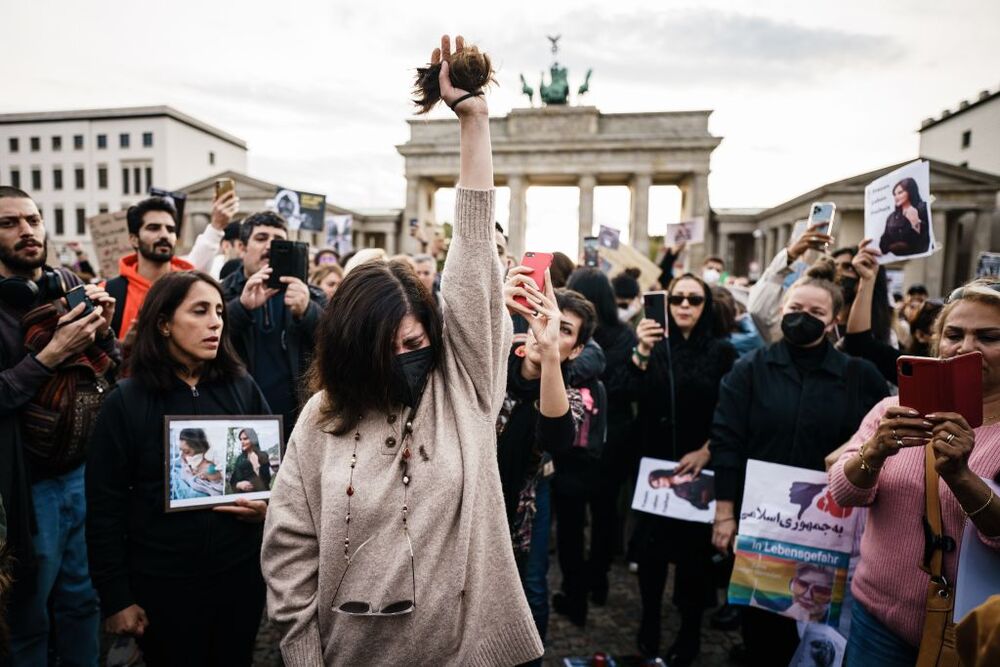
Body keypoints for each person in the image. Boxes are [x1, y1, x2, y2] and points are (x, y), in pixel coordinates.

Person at [260, 35, 544, 666]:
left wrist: (473, 123)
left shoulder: (463, 388)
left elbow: (472, 260)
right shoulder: (321, 418)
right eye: (389, 349)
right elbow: (288, 549)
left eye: (416, 342)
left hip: (463, 651)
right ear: (353, 351)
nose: (407, 357)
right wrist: (304, 653)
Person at [86, 271, 270, 666]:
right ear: (164, 323)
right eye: (200, 311)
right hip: (162, 584)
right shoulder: (126, 402)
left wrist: (266, 509)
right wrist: (117, 597)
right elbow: (104, 507)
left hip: (238, 578)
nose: (215, 321)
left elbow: (277, 477)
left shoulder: (243, 387)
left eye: (219, 311)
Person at [711, 266, 889, 665]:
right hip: (764, 527)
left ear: (834, 320)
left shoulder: (861, 377)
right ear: (781, 310)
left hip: (834, 528)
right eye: (795, 307)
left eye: (815, 311)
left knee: (824, 635)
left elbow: (884, 434)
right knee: (763, 629)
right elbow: (727, 441)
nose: (802, 317)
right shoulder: (750, 370)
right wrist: (724, 514)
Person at [829, 278, 1000, 667]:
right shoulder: (894, 409)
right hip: (878, 619)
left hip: (972, 631)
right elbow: (843, 492)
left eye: (989, 336)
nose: (966, 347)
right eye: (954, 334)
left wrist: (961, 477)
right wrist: (874, 451)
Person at [0, 186, 120, 664]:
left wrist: (104, 332)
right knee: (29, 613)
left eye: (32, 219)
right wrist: (51, 353)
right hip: (24, 486)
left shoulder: (65, 283)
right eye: (9, 223)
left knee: (82, 602)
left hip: (81, 473)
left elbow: (109, 368)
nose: (27, 231)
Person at [630, 273, 736, 666]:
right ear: (667, 304)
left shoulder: (723, 352)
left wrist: (709, 450)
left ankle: (690, 632)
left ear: (706, 305)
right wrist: (641, 350)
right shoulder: (653, 346)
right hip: (655, 467)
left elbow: (732, 411)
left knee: (693, 562)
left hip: (701, 467)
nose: (685, 306)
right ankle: (650, 622)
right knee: (652, 555)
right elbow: (625, 393)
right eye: (677, 299)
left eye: (694, 299)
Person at [496, 283, 591, 656]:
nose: (545, 331)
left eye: (563, 330)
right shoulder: (493, 362)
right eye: (541, 320)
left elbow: (556, 437)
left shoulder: (568, 398)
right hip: (461, 514)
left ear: (577, 350)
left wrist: (550, 356)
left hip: (513, 522)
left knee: (526, 595)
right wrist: (495, 305)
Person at [563, 268, 638, 608]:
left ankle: (574, 587)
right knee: (606, 515)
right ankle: (600, 579)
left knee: (571, 520)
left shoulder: (569, 333)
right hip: (615, 436)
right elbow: (627, 385)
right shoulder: (626, 335)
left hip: (574, 436)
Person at [221, 210, 326, 431]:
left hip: (299, 422)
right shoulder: (220, 292)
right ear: (241, 248)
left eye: (278, 240)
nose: (269, 245)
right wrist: (241, 308)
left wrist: (308, 312)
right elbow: (208, 341)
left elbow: (336, 344)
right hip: (238, 417)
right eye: (261, 238)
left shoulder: (312, 295)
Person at [106, 191, 239, 339]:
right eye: (153, 228)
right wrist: (123, 347)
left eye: (170, 229)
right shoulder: (108, 293)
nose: (164, 235)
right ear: (134, 239)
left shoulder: (191, 285)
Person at [878, 177, 931, 257]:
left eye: (900, 193)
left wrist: (915, 221)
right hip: (897, 260)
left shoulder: (923, 209)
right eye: (895, 194)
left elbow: (925, 241)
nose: (896, 197)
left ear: (910, 191)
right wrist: (895, 246)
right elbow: (883, 245)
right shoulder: (891, 217)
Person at [174, 427, 223, 498]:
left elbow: (218, 492)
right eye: (181, 450)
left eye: (187, 452)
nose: (182, 455)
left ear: (201, 450)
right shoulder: (186, 464)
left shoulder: (210, 469)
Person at [230, 427, 272, 493]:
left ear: (253, 439)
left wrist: (256, 465)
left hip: (260, 495)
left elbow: (267, 480)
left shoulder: (263, 455)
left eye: (245, 439)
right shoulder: (239, 459)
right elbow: (233, 481)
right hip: (243, 496)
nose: (242, 442)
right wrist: (239, 485)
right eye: (240, 439)